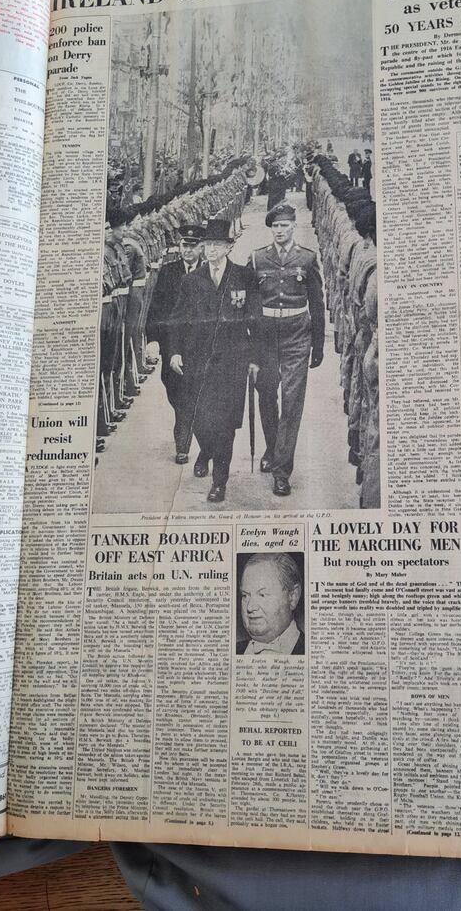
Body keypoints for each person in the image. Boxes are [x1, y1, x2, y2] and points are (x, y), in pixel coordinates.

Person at [169, 219, 260, 502]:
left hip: (233, 362)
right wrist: (174, 351)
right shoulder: (190, 281)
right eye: (207, 245)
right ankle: (205, 450)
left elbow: (255, 319)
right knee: (200, 419)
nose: (210, 250)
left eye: (216, 245)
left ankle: (219, 481)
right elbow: (177, 319)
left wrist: (255, 358)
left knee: (226, 425)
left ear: (228, 247)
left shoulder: (244, 276)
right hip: (198, 361)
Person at [251, 203, 325, 497]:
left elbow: (317, 303)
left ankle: (282, 470)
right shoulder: (258, 258)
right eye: (275, 226)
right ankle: (272, 448)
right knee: (266, 395)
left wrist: (317, 344)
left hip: (297, 335)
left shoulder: (307, 259)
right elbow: (251, 304)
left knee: (292, 402)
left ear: (294, 226)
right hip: (266, 336)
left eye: (284, 226)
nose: (279, 231)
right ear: (270, 229)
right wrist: (250, 347)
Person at [145, 224, 204, 464]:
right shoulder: (169, 272)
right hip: (172, 343)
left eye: (192, 246)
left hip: (200, 345)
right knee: (174, 391)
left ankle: (183, 444)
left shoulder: (210, 271)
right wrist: (153, 340)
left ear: (201, 247)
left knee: (194, 395)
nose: (187, 251)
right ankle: (186, 423)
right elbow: (156, 308)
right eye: (184, 246)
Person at [236, 553, 304, 655]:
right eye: (245, 596)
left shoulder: (309, 650)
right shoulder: (234, 650)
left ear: (292, 597)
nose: (250, 607)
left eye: (262, 595)